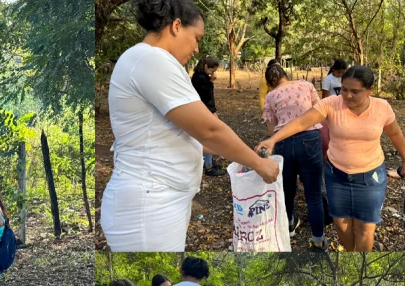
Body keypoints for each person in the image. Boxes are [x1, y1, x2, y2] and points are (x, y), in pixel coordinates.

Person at [101, 0, 280, 252]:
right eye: (196, 38)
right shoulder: (151, 59)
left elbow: (196, 136)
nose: (197, 48)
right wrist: (258, 164)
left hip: (157, 199)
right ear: (176, 26)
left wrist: (243, 152)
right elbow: (209, 130)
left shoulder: (146, 59)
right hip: (148, 205)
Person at [256, 66, 405, 252]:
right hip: (337, 175)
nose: (347, 96)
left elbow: (395, 134)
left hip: (370, 177)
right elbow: (301, 122)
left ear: (370, 90)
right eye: (344, 89)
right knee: (341, 224)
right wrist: (273, 139)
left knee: (365, 228)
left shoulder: (382, 108)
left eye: (355, 91)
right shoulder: (331, 103)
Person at [262, 63, 327, 250]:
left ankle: (288, 227)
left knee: (287, 191)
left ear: (270, 82)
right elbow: (318, 111)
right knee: (313, 193)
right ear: (285, 75)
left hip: (283, 142)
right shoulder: (306, 85)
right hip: (310, 139)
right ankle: (318, 239)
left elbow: (270, 128)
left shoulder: (270, 96)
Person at [191, 55, 225, 177]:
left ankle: (209, 161)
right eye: (212, 70)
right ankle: (209, 167)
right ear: (205, 66)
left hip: (206, 110)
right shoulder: (199, 78)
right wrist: (212, 112)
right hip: (203, 111)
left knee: (208, 137)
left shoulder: (202, 76)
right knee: (208, 138)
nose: (213, 73)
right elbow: (206, 97)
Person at [320, 59, 348, 159]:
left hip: (344, 109)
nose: (340, 74)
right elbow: (325, 97)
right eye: (339, 72)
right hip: (331, 109)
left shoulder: (346, 79)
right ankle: (327, 157)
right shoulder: (328, 80)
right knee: (329, 134)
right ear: (333, 70)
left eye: (342, 72)